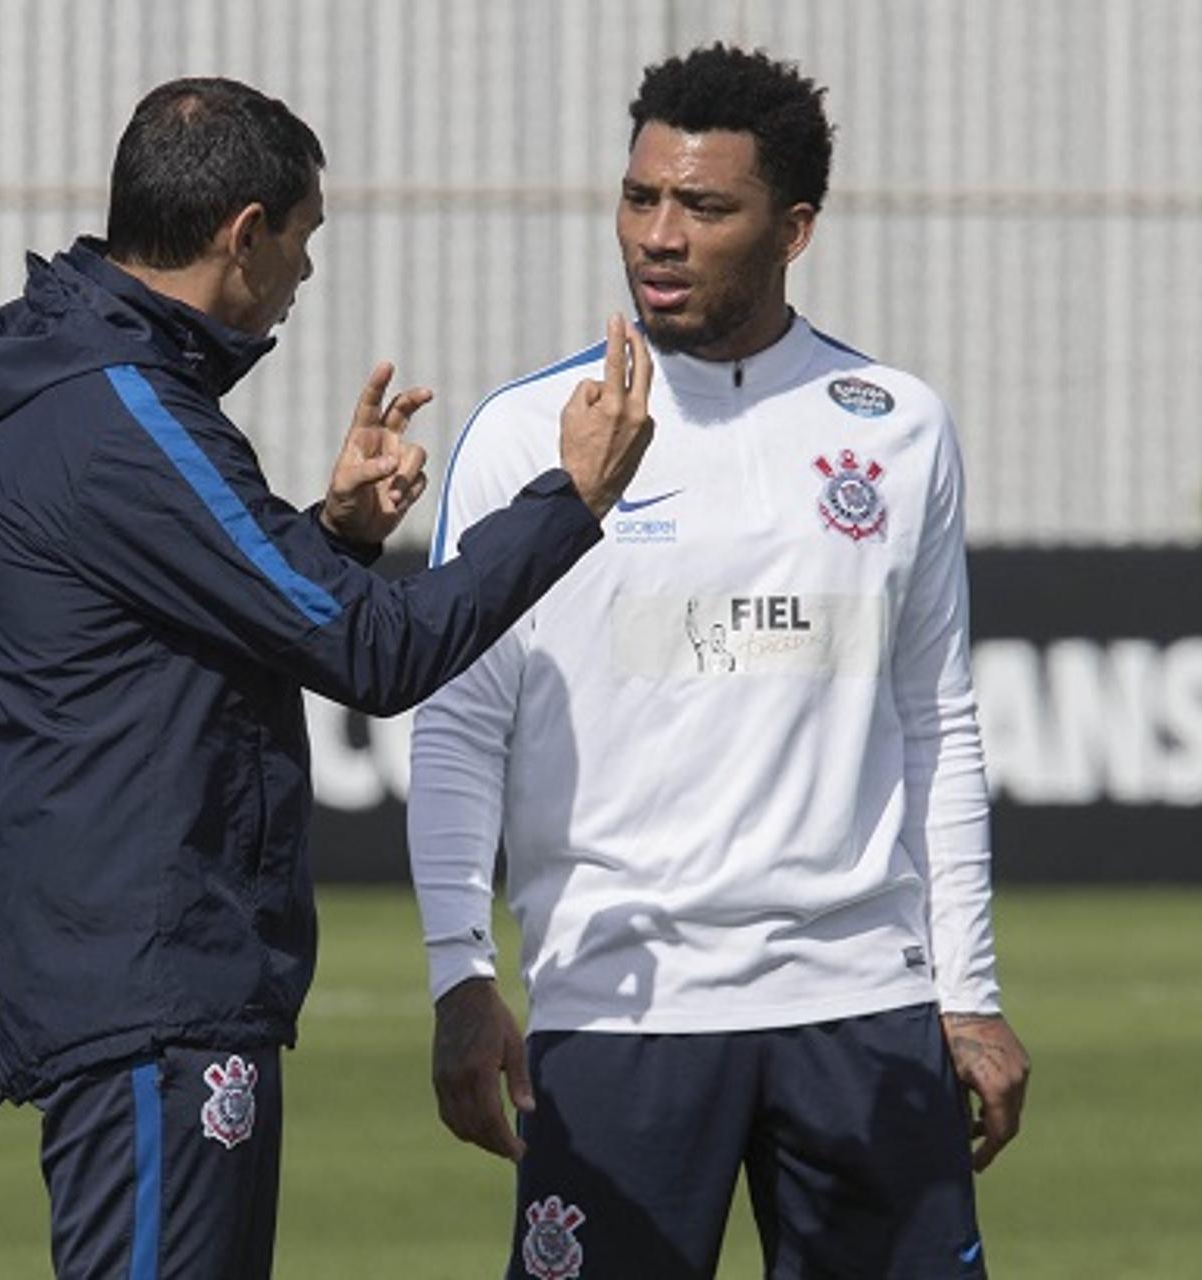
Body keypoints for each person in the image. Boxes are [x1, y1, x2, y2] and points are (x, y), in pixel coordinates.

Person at [0, 77, 653, 1279]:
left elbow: (200, 640)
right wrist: (572, 498)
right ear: (244, 231)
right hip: (155, 997)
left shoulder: (85, 386)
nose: (306, 273)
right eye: (306, 237)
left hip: (135, 984)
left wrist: (329, 531)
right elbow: (377, 653)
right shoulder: (124, 415)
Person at [409, 45, 1029, 1279]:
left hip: (860, 1002)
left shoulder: (896, 423)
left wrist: (967, 987)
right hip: (619, 1010)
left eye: (704, 206)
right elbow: (458, 723)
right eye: (641, 197)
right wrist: (458, 973)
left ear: (794, 228)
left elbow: (936, 716)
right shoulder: (526, 431)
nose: (660, 235)